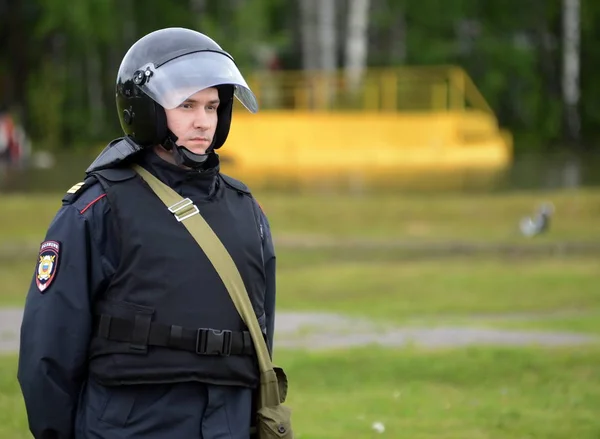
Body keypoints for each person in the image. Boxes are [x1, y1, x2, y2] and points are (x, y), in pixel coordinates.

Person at [17, 27, 277, 439]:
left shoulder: (246, 211)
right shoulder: (97, 209)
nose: (202, 121)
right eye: (186, 104)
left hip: (226, 423)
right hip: (132, 425)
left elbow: (262, 335)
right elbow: (48, 351)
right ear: (147, 109)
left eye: (212, 106)